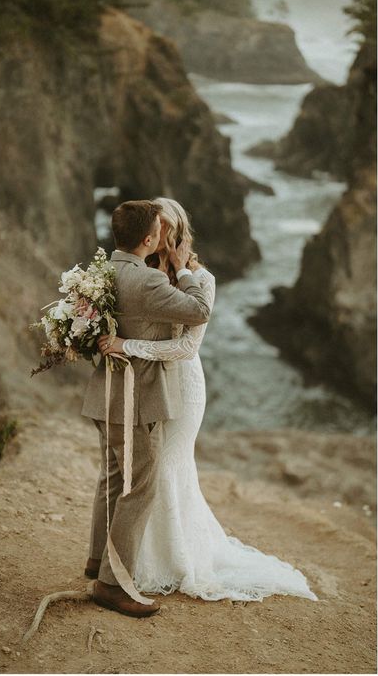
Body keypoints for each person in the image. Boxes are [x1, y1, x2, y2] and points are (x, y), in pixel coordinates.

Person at [98, 197, 319, 604]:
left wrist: (126, 345)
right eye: (153, 226)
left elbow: (184, 348)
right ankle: (133, 564)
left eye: (163, 226)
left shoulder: (203, 279)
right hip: (144, 386)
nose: (156, 233)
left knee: (165, 466)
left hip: (182, 383)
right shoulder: (141, 273)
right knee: (145, 473)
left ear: (173, 233)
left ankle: (173, 561)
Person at [81, 199, 212, 617]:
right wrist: (185, 270)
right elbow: (199, 311)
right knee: (140, 485)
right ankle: (112, 584)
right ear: (150, 237)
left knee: (115, 478)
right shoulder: (149, 282)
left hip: (107, 394)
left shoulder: (102, 273)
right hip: (136, 399)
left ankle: (96, 560)